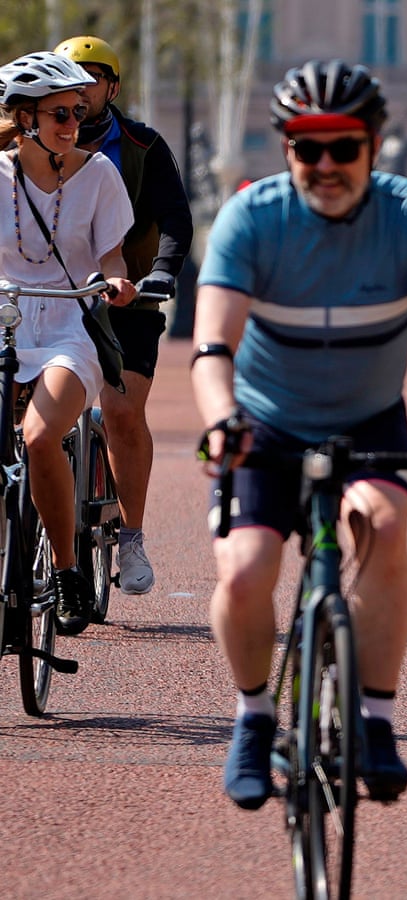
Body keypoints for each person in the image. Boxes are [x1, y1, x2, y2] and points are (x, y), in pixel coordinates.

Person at [191, 59, 407, 811]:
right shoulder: (252, 217)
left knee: (382, 526)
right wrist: (221, 419)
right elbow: (212, 347)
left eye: (342, 147)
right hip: (263, 419)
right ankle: (253, 720)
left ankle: (376, 724)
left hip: (367, 414)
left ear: (374, 146)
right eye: (304, 147)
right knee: (247, 570)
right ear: (285, 149)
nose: (323, 165)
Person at [0, 52, 137, 635]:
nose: (71, 123)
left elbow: (111, 255)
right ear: (23, 117)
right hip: (4, 317)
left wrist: (118, 280)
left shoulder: (99, 173)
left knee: (38, 434)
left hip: (68, 323)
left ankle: (66, 568)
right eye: (59, 113)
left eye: (77, 112)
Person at [55, 35, 194, 596]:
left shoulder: (142, 144)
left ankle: (131, 535)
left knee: (120, 411)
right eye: (69, 78)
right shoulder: (25, 144)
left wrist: (160, 273)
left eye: (92, 78)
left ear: (111, 87)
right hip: (51, 297)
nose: (81, 91)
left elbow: (176, 219)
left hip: (127, 299)